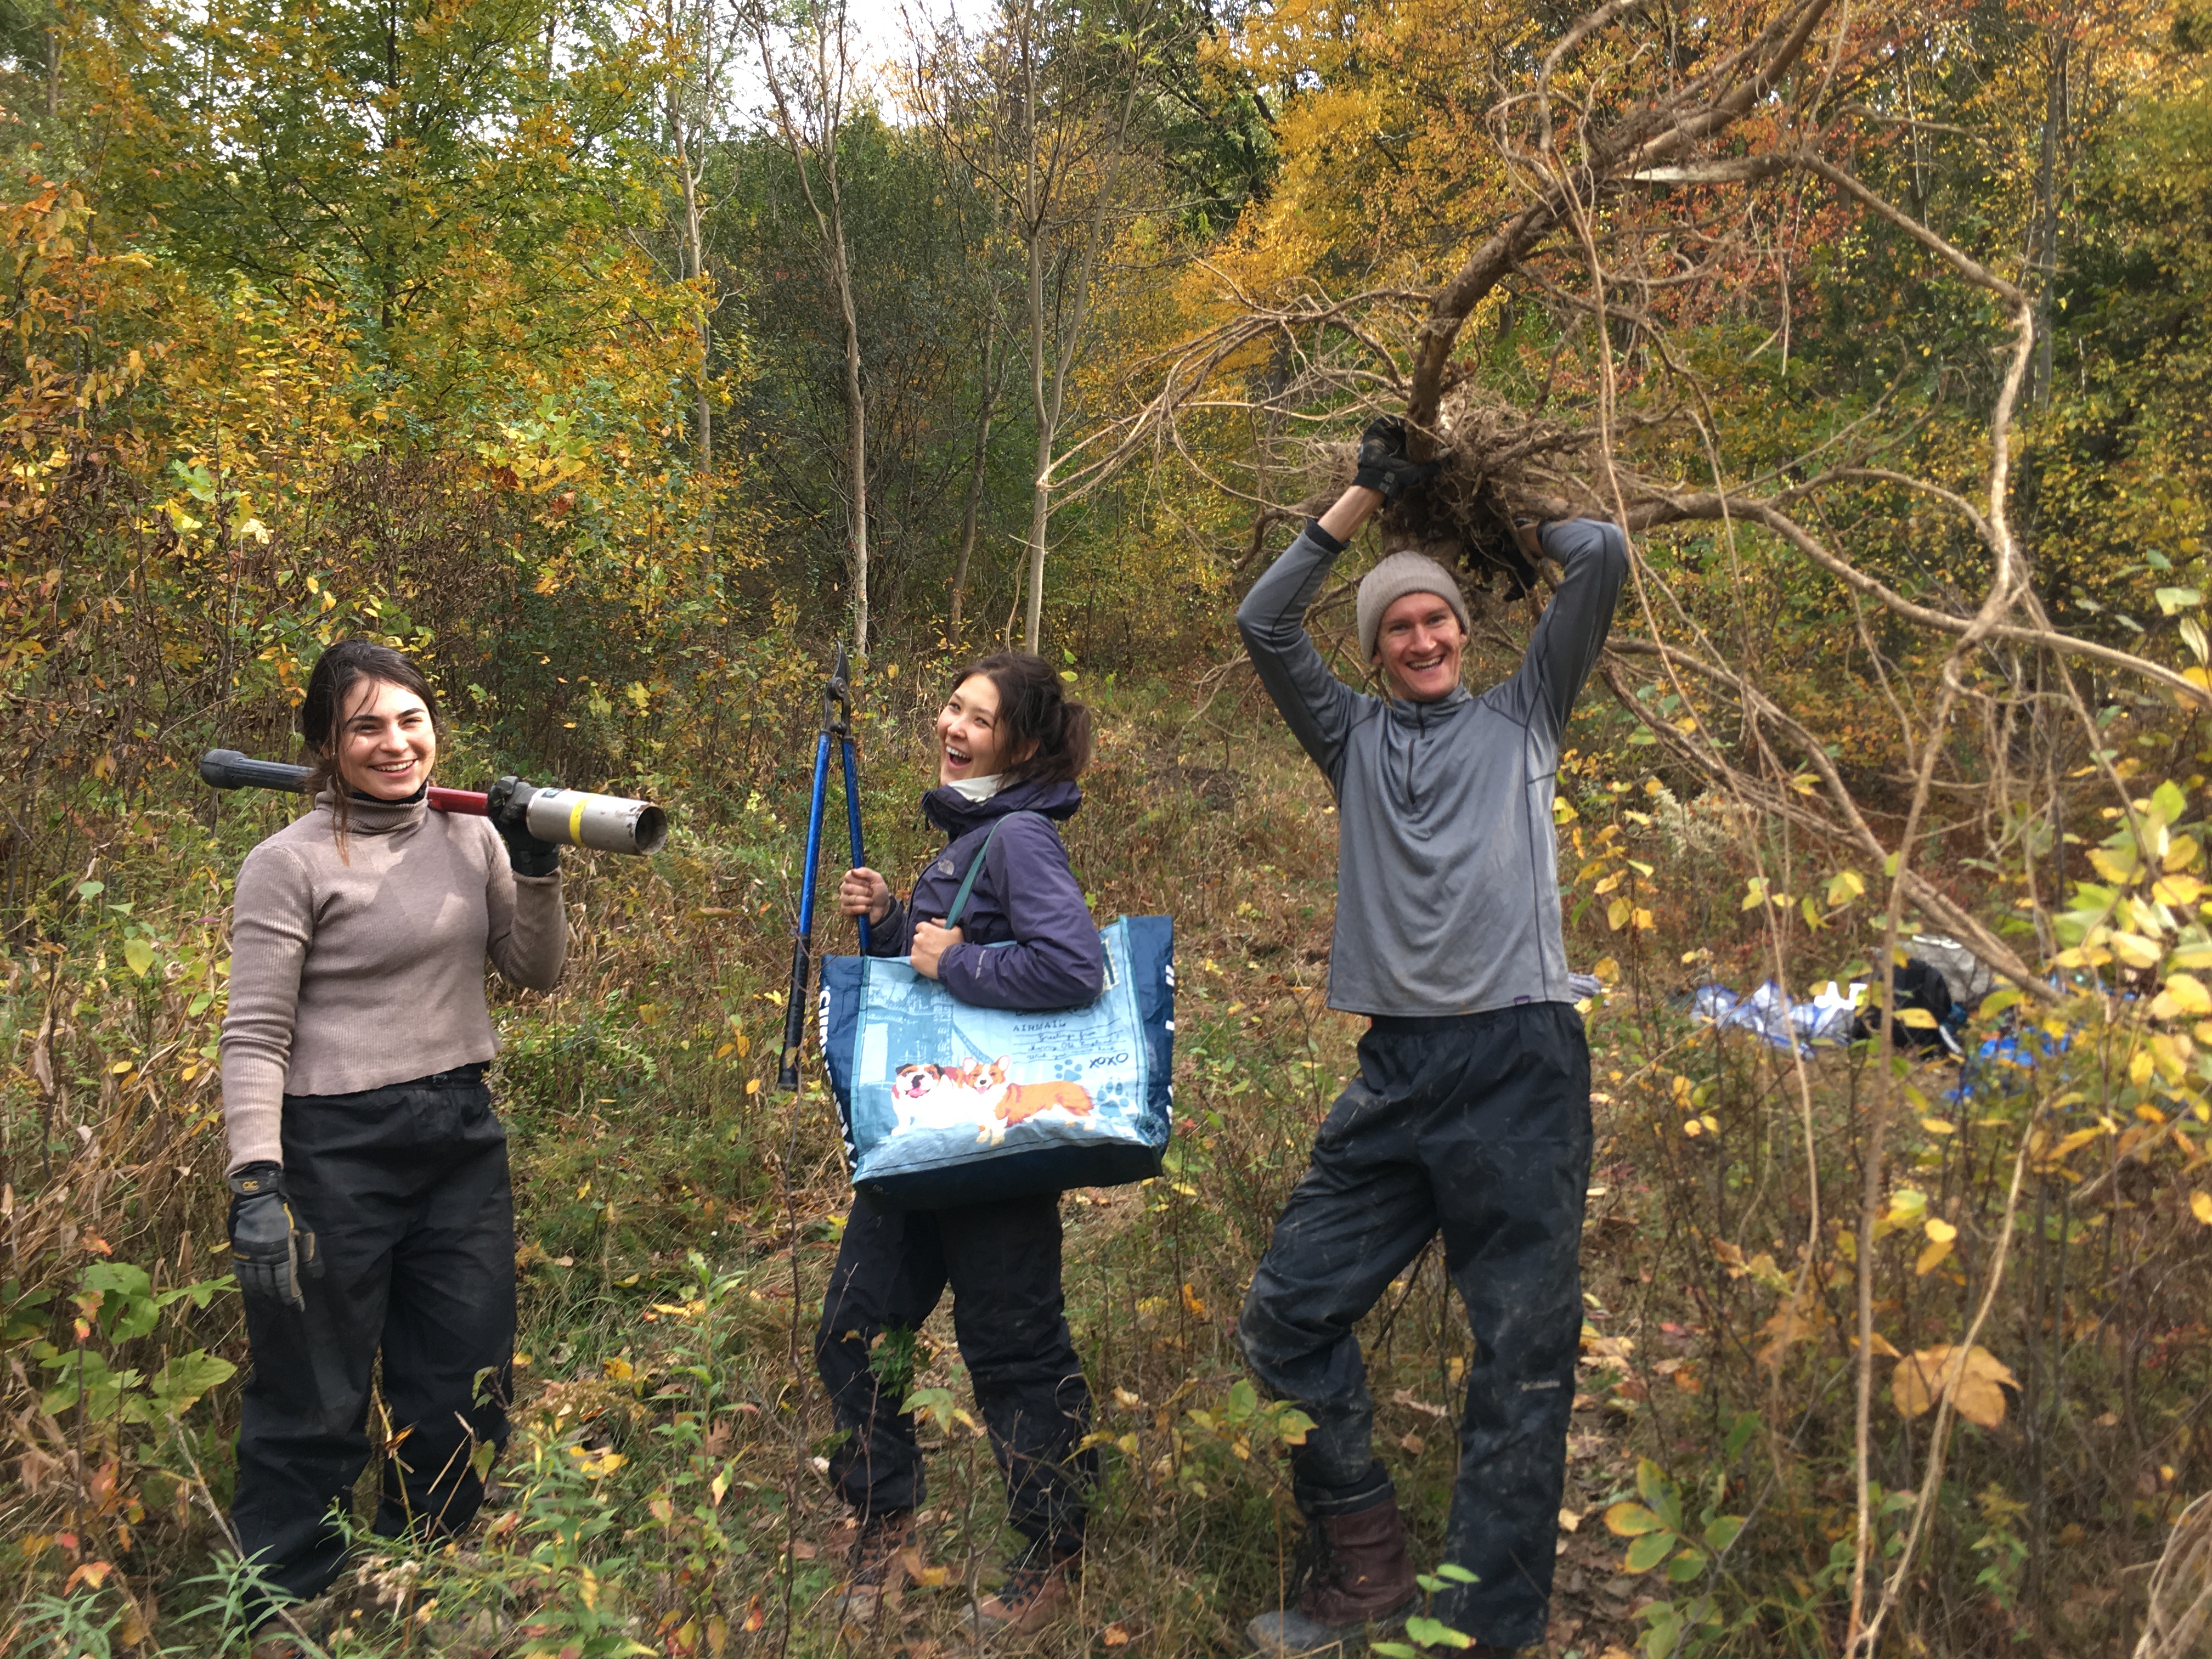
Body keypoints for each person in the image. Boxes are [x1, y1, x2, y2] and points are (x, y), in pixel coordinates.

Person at [1234, 418, 1630, 1658]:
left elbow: (1604, 554)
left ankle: (1482, 1631)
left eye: (1439, 619)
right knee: (1288, 1316)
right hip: (1399, 1073)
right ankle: (1365, 1574)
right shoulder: (1347, 739)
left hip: (1520, 1060)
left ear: (1468, 630)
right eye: (1398, 625)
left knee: (1520, 1358)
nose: (1422, 637)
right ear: (1377, 648)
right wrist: (1361, 498)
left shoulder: (1527, 718)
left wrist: (1483, 516)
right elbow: (1261, 622)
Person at [219, 640, 569, 1654]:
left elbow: (534, 972)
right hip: (332, 1148)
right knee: (314, 1393)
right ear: (327, 744)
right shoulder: (287, 863)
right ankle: (284, 1610)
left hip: (459, 1135)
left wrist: (537, 864)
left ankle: (425, 1580)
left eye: (410, 720)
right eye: (366, 725)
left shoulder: (473, 838)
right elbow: (254, 1034)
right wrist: (256, 1181)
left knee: (462, 1378)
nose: (395, 742)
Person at [822, 651, 1105, 1638]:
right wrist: (901, 920)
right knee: (858, 1329)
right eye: (951, 707)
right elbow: (947, 959)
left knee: (1014, 1351)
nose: (953, 727)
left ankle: (1051, 1561)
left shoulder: (1021, 835)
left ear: (1020, 746)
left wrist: (958, 957)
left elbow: (1074, 967)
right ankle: (883, 1520)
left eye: (978, 720)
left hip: (993, 1145)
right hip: (927, 1138)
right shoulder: (975, 835)